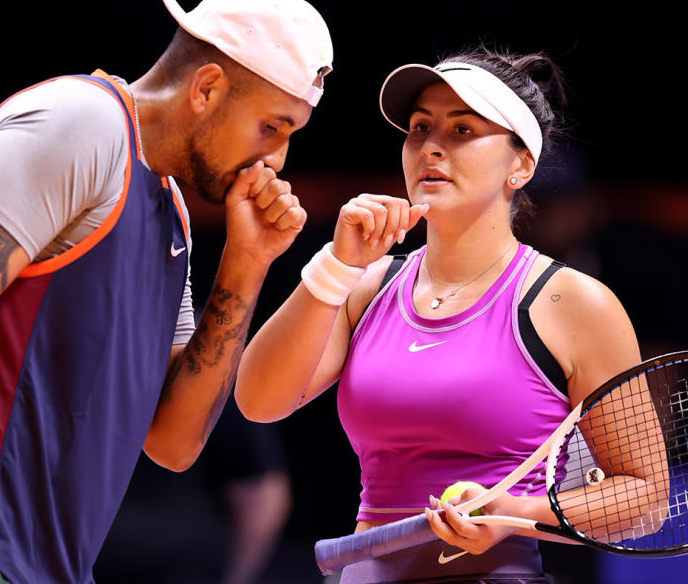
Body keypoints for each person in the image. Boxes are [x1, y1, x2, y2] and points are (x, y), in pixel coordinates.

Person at [0, 0, 333, 582]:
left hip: (40, 564)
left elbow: (174, 442)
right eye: (273, 126)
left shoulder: (172, 212)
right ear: (207, 87)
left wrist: (247, 261)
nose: (279, 156)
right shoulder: (83, 124)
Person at [235, 46, 653, 583]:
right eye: (418, 128)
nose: (431, 147)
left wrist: (517, 515)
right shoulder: (364, 285)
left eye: (461, 131)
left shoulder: (572, 303)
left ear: (521, 164)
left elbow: (645, 498)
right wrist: (335, 267)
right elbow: (258, 402)